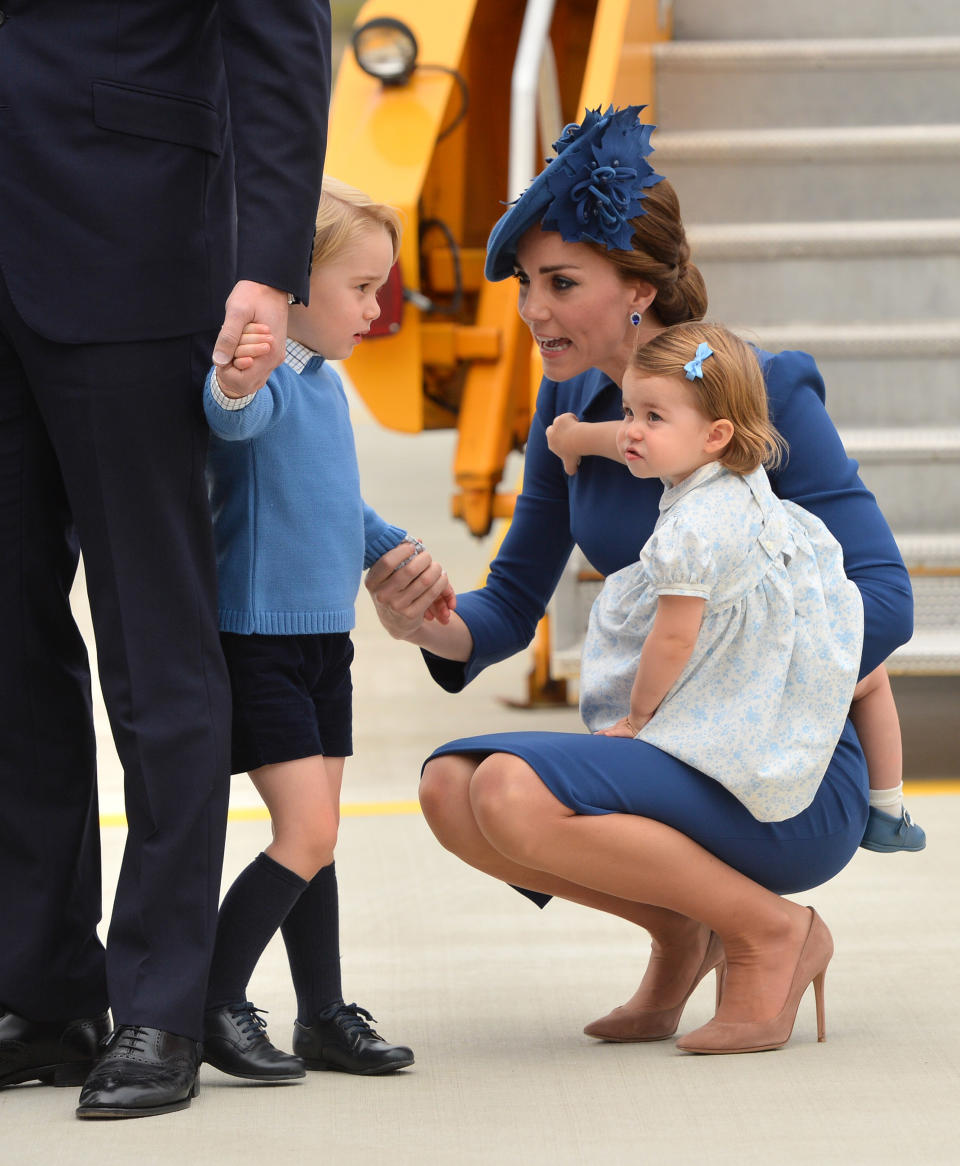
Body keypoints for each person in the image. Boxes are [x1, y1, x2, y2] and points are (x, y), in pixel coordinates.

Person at [363, 106, 914, 1054]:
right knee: (454, 788)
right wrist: (431, 625)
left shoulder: (756, 392)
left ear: (638, 289)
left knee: (510, 791)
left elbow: (887, 596)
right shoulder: (566, 405)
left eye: (560, 283)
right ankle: (679, 931)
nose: (532, 310)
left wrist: (740, 682)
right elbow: (508, 603)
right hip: (666, 748)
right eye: (529, 284)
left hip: (777, 766)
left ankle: (773, 933)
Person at [0, 1, 330, 1119]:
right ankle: (42, 987)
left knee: (154, 638)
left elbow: (281, 32)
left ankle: (162, 998)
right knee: (8, 642)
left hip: (127, 239)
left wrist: (271, 262)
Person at [201, 177, 455, 1082]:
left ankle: (322, 1013)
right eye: (362, 287)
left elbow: (332, 503)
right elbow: (231, 420)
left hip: (322, 642)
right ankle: (212, 1001)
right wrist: (237, 375)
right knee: (304, 834)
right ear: (293, 289)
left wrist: (394, 547)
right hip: (263, 640)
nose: (377, 307)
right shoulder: (270, 380)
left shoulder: (325, 388)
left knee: (321, 836)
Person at [548, 350, 926, 855]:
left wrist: (639, 717)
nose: (632, 430)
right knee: (869, 677)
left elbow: (676, 636)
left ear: (715, 435)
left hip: (740, 639)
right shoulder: (737, 466)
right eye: (628, 411)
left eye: (652, 417)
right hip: (792, 605)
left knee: (711, 701)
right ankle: (888, 808)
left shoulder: (689, 531)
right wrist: (573, 438)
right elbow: (627, 444)